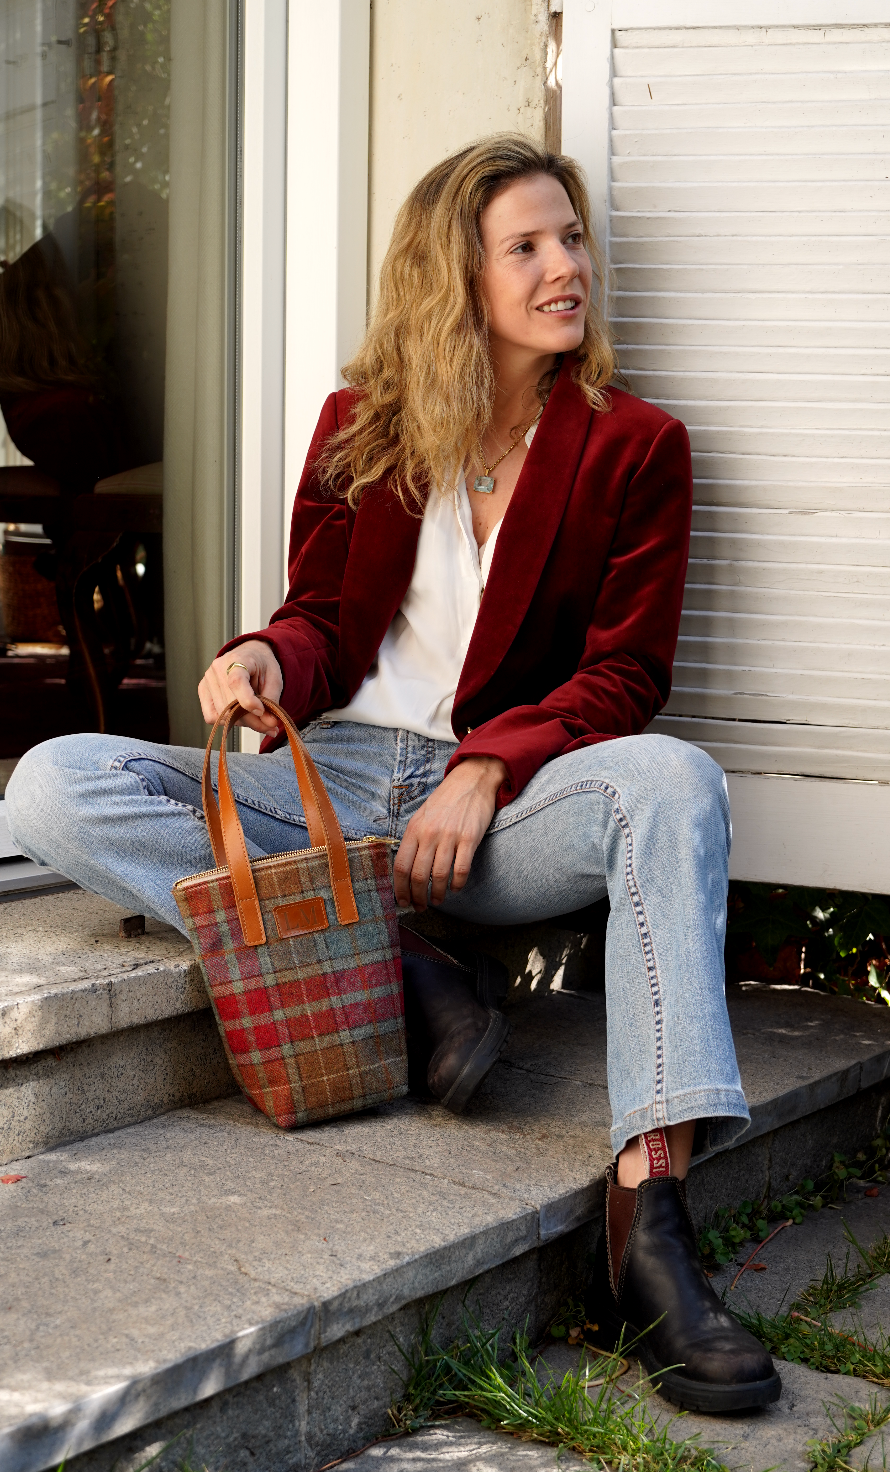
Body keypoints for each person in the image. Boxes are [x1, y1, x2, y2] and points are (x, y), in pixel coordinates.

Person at [6, 135, 778, 1414]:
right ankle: (393, 964)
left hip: (499, 812)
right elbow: (320, 621)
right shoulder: (361, 430)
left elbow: (622, 679)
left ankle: (650, 1217)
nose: (562, 266)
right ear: (453, 275)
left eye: (569, 238)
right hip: (339, 783)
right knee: (48, 785)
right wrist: (260, 653)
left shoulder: (634, 446)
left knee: (673, 780)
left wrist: (486, 766)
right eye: (525, 246)